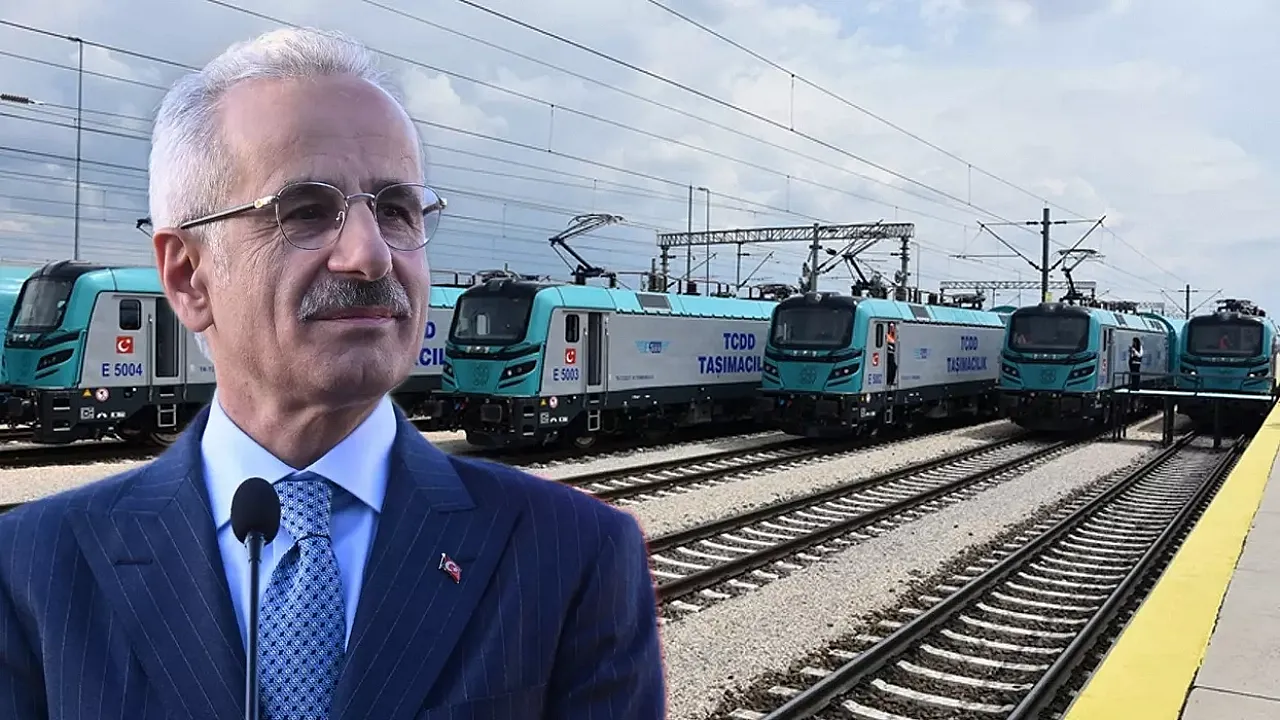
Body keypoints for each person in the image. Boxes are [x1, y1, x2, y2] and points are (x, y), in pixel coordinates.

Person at [0, 27, 665, 720]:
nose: (370, 255)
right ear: (189, 276)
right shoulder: (30, 571)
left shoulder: (579, 556)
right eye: (306, 211)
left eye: (398, 210)